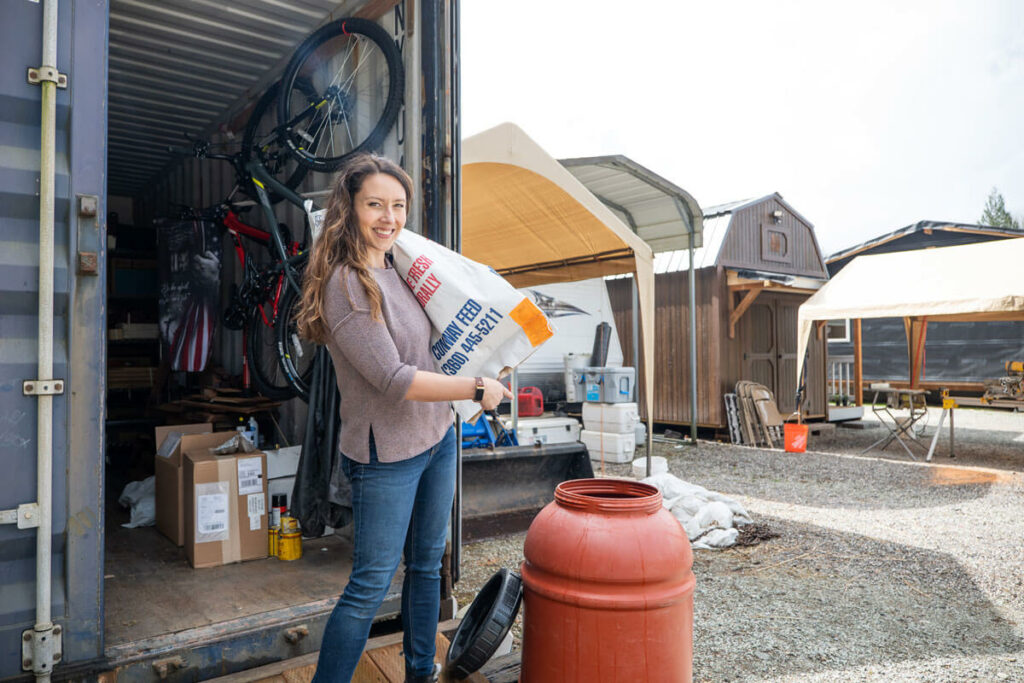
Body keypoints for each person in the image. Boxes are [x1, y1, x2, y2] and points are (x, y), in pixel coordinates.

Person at [295, 153, 511, 683]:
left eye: (398, 206)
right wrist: (477, 387)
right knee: (369, 585)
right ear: (350, 209)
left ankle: (420, 671)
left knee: (426, 566)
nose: (388, 217)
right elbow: (394, 378)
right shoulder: (347, 283)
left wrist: (490, 355)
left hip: (436, 437)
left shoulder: (400, 269)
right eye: (375, 205)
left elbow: (435, 347)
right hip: (386, 453)